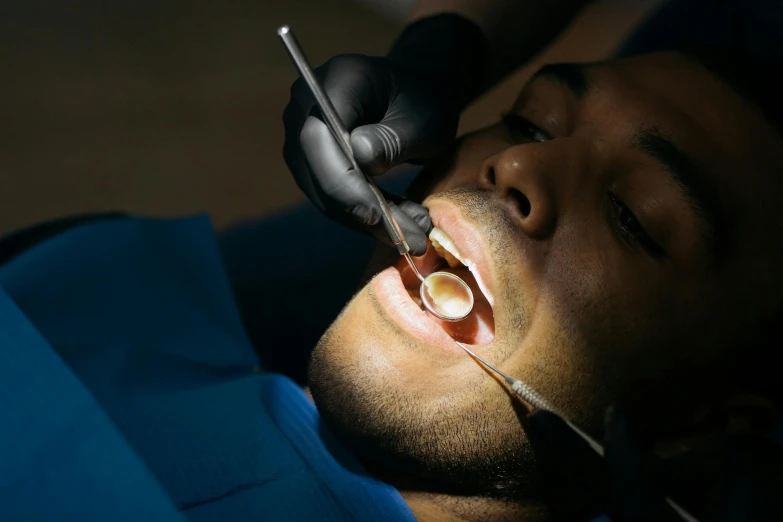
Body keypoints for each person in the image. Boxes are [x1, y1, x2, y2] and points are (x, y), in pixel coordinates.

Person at [1, 3, 781, 522]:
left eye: (633, 218)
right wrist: (448, 45)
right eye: (531, 122)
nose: (515, 166)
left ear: (700, 430)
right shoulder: (88, 289)